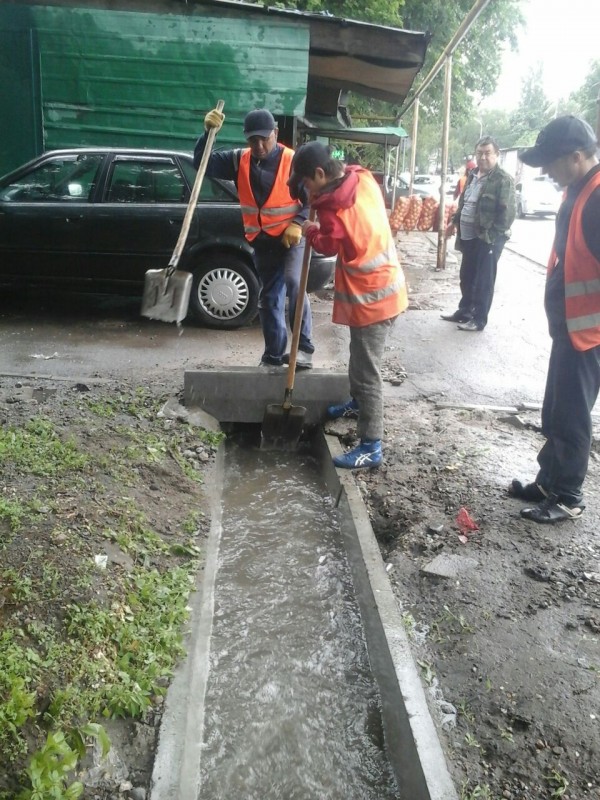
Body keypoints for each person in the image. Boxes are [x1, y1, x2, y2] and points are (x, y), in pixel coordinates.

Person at [287, 141, 408, 469]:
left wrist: (310, 230)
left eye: (306, 183)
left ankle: (371, 445)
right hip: (388, 287)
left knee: (368, 373)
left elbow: (328, 244)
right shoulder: (363, 178)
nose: (306, 190)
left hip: (374, 300)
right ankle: (357, 402)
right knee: (359, 356)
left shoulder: (333, 210)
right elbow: (345, 164)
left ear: (320, 174)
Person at [510, 115, 600, 524]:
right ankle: (549, 481)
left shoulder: (596, 198)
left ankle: (567, 496)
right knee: (555, 410)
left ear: (577, 157)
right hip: (571, 327)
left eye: (551, 162)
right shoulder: (578, 190)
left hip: (589, 333)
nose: (546, 170)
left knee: (572, 416)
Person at [195, 107, 315, 368]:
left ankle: (303, 349)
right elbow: (203, 163)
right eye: (253, 140)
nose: (259, 146)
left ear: (276, 133)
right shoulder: (238, 160)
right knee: (269, 298)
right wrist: (207, 135)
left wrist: (298, 222)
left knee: (295, 282)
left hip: (292, 238)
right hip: (263, 242)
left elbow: (312, 199)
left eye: (264, 139)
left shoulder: (293, 161)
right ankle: (273, 356)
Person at [441, 136, 516, 331]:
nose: (483, 157)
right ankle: (465, 311)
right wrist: (454, 223)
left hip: (488, 239)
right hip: (469, 237)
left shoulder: (503, 179)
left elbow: (507, 215)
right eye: (479, 153)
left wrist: (492, 238)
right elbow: (464, 202)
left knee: (484, 280)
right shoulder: (473, 175)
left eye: (487, 153)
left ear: (497, 155)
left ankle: (479, 319)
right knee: (467, 276)